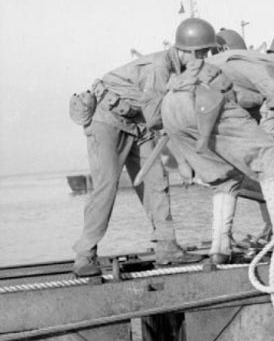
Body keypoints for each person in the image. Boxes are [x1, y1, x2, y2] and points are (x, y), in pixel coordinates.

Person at [162, 27, 274, 264]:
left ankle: (220, 249)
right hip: (202, 102)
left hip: (171, 106)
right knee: (270, 153)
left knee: (227, 176)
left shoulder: (244, 60)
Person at [69, 18, 215, 277]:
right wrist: (183, 159)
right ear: (186, 51)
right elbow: (161, 117)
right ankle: (85, 254)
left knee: (157, 181)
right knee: (106, 185)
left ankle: (167, 246)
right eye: (201, 53)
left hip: (138, 124)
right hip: (109, 120)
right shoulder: (160, 68)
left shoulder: (183, 71)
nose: (204, 59)